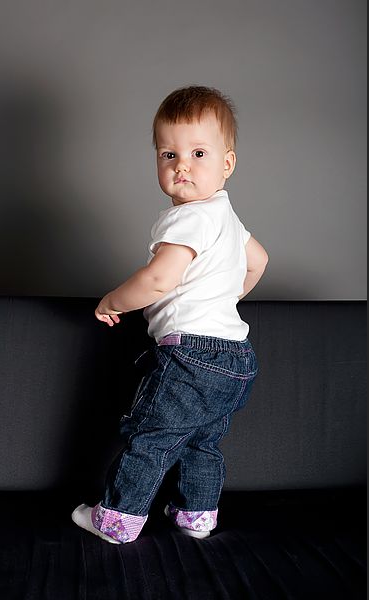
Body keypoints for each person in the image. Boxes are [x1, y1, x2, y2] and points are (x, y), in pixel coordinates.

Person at [72, 85, 269, 544]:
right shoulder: (227, 217)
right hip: (237, 358)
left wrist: (113, 301)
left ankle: (117, 520)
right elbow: (259, 262)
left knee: (153, 438)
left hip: (191, 357)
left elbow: (159, 279)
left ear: (227, 163)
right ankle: (197, 516)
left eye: (199, 152)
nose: (182, 165)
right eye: (168, 154)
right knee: (202, 441)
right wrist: (221, 299)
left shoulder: (188, 218)